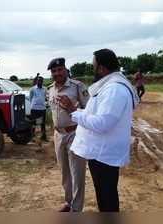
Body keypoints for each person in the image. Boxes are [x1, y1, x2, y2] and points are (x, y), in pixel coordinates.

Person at [60, 49, 139, 212]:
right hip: (101, 154)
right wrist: (74, 110)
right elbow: (94, 115)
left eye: (94, 66)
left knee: (107, 200)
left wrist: (73, 113)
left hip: (105, 156)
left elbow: (102, 123)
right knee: (104, 198)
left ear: (102, 68)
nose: (92, 69)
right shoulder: (109, 87)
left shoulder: (114, 90)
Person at [47, 57, 89, 212]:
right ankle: (68, 202)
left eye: (59, 70)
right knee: (65, 173)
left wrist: (72, 108)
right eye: (54, 71)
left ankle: (76, 209)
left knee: (77, 173)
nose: (57, 73)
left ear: (65, 70)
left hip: (75, 134)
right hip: (58, 135)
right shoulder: (50, 89)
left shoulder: (77, 87)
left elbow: (90, 111)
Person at [29, 76, 47, 141]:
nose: (40, 82)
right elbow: (30, 98)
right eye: (38, 80)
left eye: (41, 81)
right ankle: (31, 137)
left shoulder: (45, 89)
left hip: (42, 108)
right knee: (33, 123)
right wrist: (34, 104)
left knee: (43, 123)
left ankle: (43, 137)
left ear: (42, 81)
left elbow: (44, 97)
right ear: (36, 81)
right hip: (34, 108)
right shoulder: (32, 89)